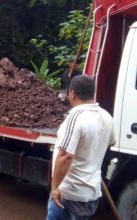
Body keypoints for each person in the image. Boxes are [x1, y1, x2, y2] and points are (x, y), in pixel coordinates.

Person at [47, 75, 115, 220]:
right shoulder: (107, 116)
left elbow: (66, 155)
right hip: (91, 193)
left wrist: (54, 188)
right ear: (92, 93)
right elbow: (110, 142)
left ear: (72, 93)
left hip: (70, 193)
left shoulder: (76, 117)